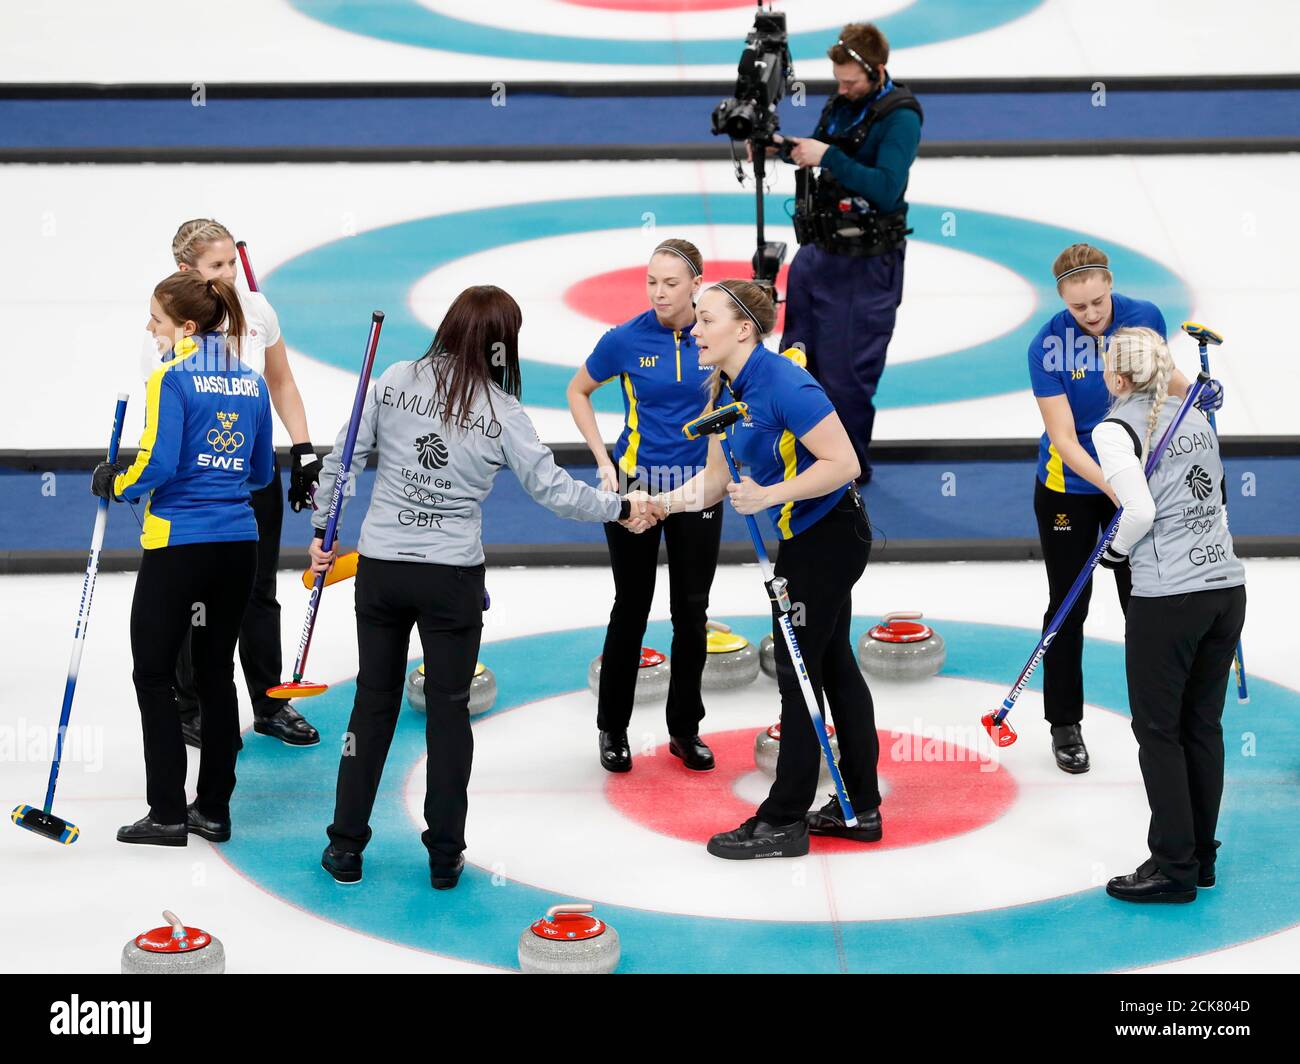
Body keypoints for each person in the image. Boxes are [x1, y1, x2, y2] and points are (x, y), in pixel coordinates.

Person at [309, 285, 662, 888]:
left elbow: (344, 458)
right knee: (449, 715)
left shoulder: (393, 378)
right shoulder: (503, 412)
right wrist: (620, 505)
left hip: (384, 569)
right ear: (505, 346)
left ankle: (345, 847)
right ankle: (445, 855)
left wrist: (322, 527)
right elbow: (553, 491)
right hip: (451, 580)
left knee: (372, 705)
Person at [654, 281, 877, 860]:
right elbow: (711, 483)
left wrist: (771, 493)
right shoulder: (728, 391)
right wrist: (655, 505)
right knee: (830, 666)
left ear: (744, 328)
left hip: (829, 537)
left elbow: (845, 462)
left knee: (797, 671)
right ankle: (862, 805)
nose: (693, 330)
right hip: (804, 536)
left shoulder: (785, 383)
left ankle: (784, 819)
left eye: (704, 320)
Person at [93, 271, 273, 846]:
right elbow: (263, 472)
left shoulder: (170, 378)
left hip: (178, 546)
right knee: (217, 670)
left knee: (154, 673)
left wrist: (115, 483)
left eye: (157, 319)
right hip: (238, 542)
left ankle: (168, 812)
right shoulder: (250, 380)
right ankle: (213, 810)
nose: (150, 328)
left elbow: (157, 465)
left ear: (187, 327)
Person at [1027, 243, 1222, 773]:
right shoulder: (1047, 345)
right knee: (1069, 602)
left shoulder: (1144, 318)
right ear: (1063, 301)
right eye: (1078, 308)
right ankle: (1064, 722)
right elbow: (1064, 439)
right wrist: (1116, 487)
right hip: (1071, 488)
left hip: (1134, 475)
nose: (1090, 316)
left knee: (1145, 603)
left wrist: (1197, 394)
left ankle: (1156, 716)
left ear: (1109, 285)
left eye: (1096, 302)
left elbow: (1164, 381)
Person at [1091, 328, 1245, 902]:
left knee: (1158, 732)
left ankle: (1173, 868)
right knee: (1201, 724)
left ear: (1119, 377)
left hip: (1169, 596)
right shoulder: (1195, 414)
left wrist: (1113, 553)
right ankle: (1200, 856)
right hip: (1225, 588)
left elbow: (1138, 510)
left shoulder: (1115, 429)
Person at [566, 239, 721, 774]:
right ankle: (613, 728)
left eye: (671, 283)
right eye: (652, 281)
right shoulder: (626, 339)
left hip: (698, 488)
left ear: (697, 284)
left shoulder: (714, 333)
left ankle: (685, 729)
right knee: (631, 606)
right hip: (635, 488)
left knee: (691, 614)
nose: (659, 292)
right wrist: (604, 464)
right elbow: (578, 391)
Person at [169, 219, 322, 749]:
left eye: (232, 262)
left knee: (260, 589)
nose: (230, 274)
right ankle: (189, 705)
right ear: (187, 270)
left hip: (252, 470)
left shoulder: (256, 310)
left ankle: (270, 703)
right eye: (217, 266)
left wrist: (302, 450)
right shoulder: (173, 319)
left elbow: (280, 381)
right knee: (196, 593)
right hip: (194, 478)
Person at [776, 21, 922, 486]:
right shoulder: (842, 103)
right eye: (838, 81)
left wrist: (827, 157)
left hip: (865, 265)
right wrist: (788, 148)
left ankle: (845, 473)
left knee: (846, 378)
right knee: (796, 361)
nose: (842, 88)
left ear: (878, 69)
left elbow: (885, 187)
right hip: (818, 253)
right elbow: (826, 153)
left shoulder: (901, 116)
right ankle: (799, 463)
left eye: (851, 81)